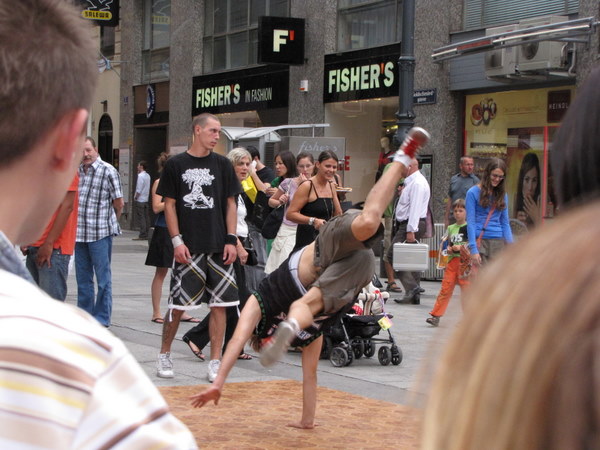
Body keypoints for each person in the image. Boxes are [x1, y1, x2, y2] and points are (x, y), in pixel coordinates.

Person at [0, 0, 196, 447]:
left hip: (95, 233)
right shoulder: (78, 370)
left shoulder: (105, 172)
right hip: (77, 242)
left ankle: (99, 313)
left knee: (98, 279)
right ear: (69, 139)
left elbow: (119, 200)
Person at [189, 127, 430, 424]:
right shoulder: (258, 301)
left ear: (264, 337)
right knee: (369, 220)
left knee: (308, 305)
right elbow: (248, 344)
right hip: (331, 255)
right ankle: (403, 157)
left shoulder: (289, 326)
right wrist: (306, 421)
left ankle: (293, 323)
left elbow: (241, 341)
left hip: (323, 275)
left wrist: (218, 384)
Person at [156, 113, 241, 382]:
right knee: (178, 304)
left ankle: (215, 361)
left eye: (219, 131)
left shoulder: (223, 164)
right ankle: (164, 353)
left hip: (218, 244)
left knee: (221, 305)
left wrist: (231, 239)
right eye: (213, 131)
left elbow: (231, 203)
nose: (217, 136)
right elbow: (169, 205)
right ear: (197, 130)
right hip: (188, 245)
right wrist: (176, 240)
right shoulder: (176, 164)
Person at [182, 147, 257, 361]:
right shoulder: (225, 188)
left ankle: (230, 346)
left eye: (247, 164)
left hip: (238, 243)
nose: (245, 168)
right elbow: (224, 220)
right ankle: (200, 337)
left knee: (236, 300)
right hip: (230, 245)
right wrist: (238, 245)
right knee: (236, 299)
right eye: (240, 164)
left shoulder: (239, 189)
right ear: (230, 166)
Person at [145, 152, 200, 324]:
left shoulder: (182, 182)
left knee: (183, 271)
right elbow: (156, 207)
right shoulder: (159, 182)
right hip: (163, 229)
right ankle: (156, 312)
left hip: (182, 228)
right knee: (161, 271)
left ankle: (180, 310)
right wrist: (175, 200)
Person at [75, 136, 124, 327]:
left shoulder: (108, 171)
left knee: (103, 279)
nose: (85, 154)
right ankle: (85, 316)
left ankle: (102, 318)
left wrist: (111, 222)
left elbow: (119, 203)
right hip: (80, 233)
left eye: (88, 150)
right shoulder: (77, 170)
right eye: (82, 151)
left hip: (100, 233)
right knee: (83, 279)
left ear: (96, 149)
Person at [24, 174, 78, 301]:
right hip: (34, 245)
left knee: (50, 306)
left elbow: (67, 206)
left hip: (54, 248)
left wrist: (49, 243)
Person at [388, 158, 431, 305]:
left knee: (393, 255)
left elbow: (415, 208)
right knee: (412, 260)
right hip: (409, 223)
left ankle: (412, 288)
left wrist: (411, 229)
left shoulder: (417, 183)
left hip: (411, 223)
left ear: (409, 166)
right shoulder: (410, 182)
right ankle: (413, 295)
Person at [264, 151, 310, 274]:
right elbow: (271, 201)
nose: (305, 169)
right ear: (296, 166)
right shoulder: (288, 183)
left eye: (308, 166)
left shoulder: (316, 185)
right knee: (281, 268)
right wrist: (280, 201)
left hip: (307, 229)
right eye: (301, 166)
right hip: (287, 229)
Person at [287, 150, 343, 252]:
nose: (331, 170)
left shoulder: (331, 185)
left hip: (325, 242)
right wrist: (313, 221)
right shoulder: (307, 186)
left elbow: (338, 213)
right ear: (318, 165)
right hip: (307, 242)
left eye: (334, 167)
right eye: (327, 166)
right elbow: (290, 214)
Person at [426, 199, 469, 327]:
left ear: (466, 212)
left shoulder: (469, 227)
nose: (457, 213)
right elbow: (446, 244)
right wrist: (449, 249)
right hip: (452, 262)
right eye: (455, 211)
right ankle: (436, 315)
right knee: (445, 288)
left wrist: (461, 247)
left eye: (460, 210)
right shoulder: (450, 228)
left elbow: (472, 244)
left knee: (467, 291)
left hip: (465, 263)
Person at [465, 158, 513, 267]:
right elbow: (471, 222)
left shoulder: (503, 194)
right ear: (487, 173)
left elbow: (505, 223)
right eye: (494, 175)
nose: (497, 179)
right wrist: (473, 249)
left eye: (500, 177)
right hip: (480, 242)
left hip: (498, 242)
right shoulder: (472, 192)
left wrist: (511, 246)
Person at [444, 156, 479, 227]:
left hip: (468, 219)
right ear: (461, 166)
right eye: (467, 165)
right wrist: (446, 218)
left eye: (472, 165)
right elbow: (450, 199)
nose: (470, 167)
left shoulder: (476, 181)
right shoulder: (454, 179)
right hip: (453, 217)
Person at [514, 152, 541, 227]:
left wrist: (537, 218)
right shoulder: (517, 198)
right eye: (527, 179)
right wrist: (517, 223)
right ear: (521, 180)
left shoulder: (542, 200)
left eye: (534, 180)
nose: (530, 187)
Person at [133, 160, 151, 239]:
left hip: (140, 199)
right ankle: (147, 232)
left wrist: (136, 197)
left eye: (138, 165)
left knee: (141, 217)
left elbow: (139, 189)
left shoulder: (140, 176)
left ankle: (142, 234)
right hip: (146, 198)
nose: (137, 167)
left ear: (141, 167)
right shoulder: (148, 176)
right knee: (146, 216)